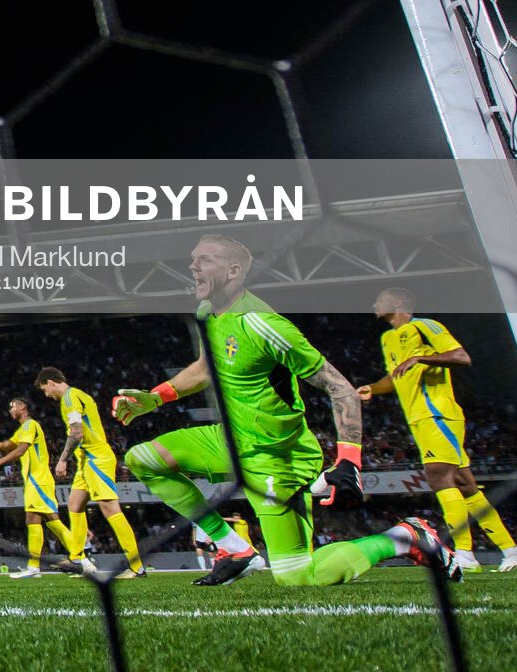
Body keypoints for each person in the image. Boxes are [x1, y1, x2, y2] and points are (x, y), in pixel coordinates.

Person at [116, 233, 449, 587]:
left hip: (276, 456)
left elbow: (341, 389)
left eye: (204, 260)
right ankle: (235, 550)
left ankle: (405, 537)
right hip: (230, 439)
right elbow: (206, 367)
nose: (192, 266)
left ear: (233, 271)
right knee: (143, 459)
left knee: (299, 578)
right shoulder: (208, 312)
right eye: (193, 258)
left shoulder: (263, 325)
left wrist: (349, 460)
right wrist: (156, 397)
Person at [357, 288, 517, 575]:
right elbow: (396, 376)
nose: (375, 303)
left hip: (437, 413)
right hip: (419, 419)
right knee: (466, 485)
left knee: (439, 476)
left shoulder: (424, 326)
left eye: (381, 298)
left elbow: (461, 356)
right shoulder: (388, 338)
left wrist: (421, 359)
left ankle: (464, 554)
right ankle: (512, 552)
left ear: (398, 302)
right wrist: (373, 388)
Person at [34, 367, 146, 578]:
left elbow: (77, 433)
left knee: (109, 508)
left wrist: (62, 460)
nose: (46, 395)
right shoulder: (80, 394)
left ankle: (136, 566)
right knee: (74, 505)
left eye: (44, 389)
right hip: (86, 460)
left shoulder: (69, 398)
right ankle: (77, 559)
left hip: (96, 459)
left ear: (50, 382)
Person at [0, 397, 66, 579]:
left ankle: (80, 558)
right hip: (33, 481)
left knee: (50, 519)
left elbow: (20, 450)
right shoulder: (23, 429)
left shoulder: (30, 425)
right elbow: (5, 446)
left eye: (12, 407)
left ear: (22, 407)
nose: (10, 410)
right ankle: (36, 566)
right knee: (35, 520)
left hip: (39, 479)